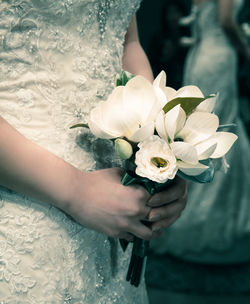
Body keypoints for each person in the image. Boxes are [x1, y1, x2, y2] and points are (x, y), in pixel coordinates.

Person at [0, 0, 187, 302]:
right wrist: (76, 190)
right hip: (27, 195)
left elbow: (126, 40)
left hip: (118, 209)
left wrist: (158, 151)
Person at [148, 0, 250, 301]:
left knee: (202, 127)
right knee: (220, 128)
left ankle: (196, 209)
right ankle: (212, 215)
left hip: (199, 57)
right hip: (220, 58)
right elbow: (228, 22)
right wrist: (244, 46)